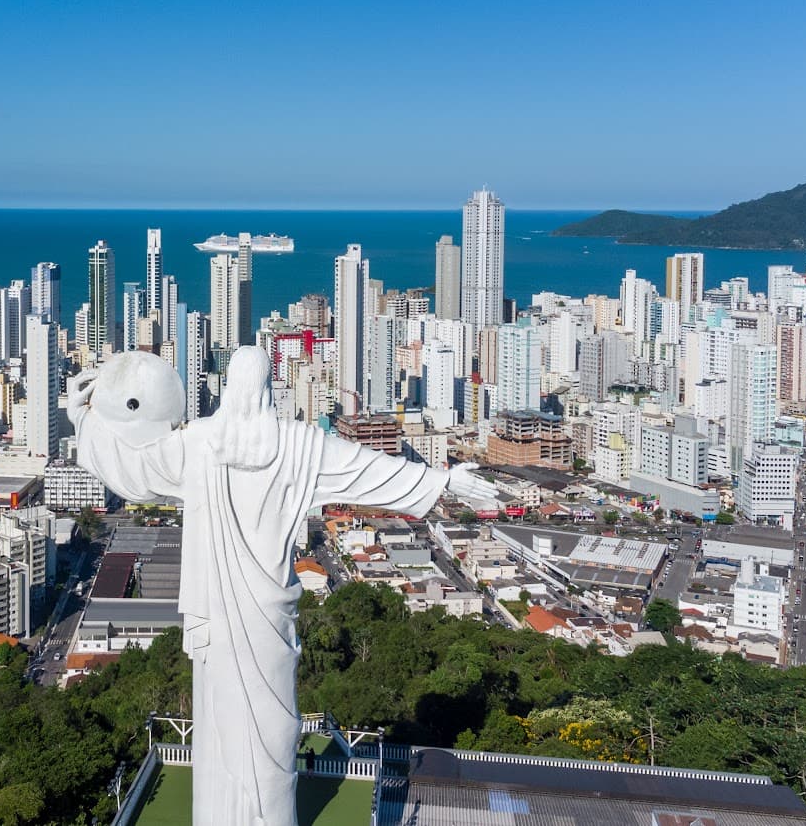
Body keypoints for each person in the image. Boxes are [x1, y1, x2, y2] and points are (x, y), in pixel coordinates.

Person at [69, 346, 495, 825]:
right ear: (270, 389)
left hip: (219, 618)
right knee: (270, 729)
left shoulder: (198, 443)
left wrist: (82, 418)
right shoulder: (299, 446)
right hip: (268, 619)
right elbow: (370, 472)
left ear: (228, 391)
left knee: (224, 727)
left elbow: (131, 469)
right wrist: (442, 482)